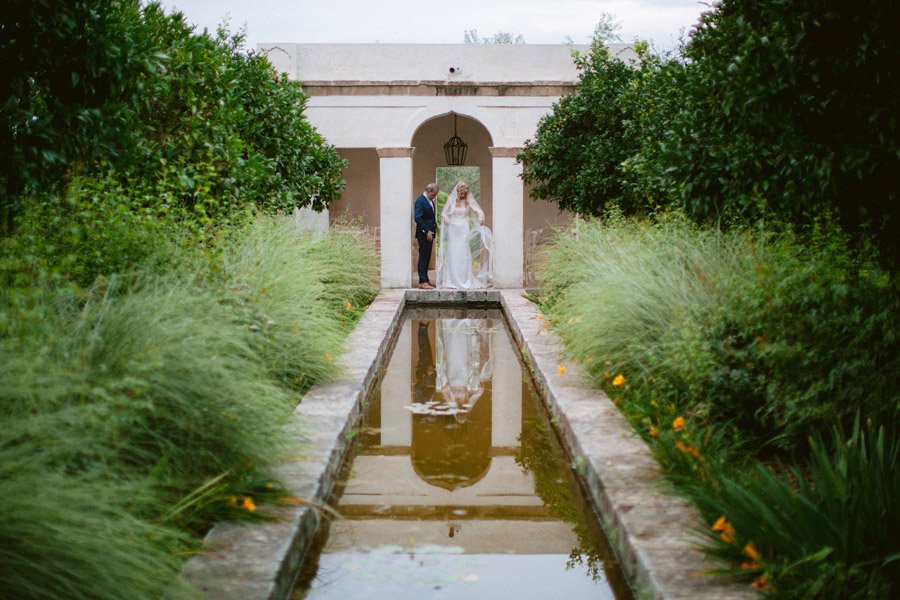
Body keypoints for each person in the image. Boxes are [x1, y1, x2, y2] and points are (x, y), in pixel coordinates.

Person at [436, 181, 493, 289]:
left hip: (463, 228)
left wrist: (481, 217)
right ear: (457, 191)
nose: (463, 195)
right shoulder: (451, 199)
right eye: (461, 193)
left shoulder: (468, 200)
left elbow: (479, 211)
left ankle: (465, 279)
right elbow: (443, 212)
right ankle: (450, 281)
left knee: (463, 252)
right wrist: (446, 217)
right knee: (452, 252)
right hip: (453, 228)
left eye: (465, 193)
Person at [413, 183, 439, 289]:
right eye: (433, 195)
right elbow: (418, 218)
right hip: (424, 234)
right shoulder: (420, 201)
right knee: (423, 257)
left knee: (427, 256)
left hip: (430, 234)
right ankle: (422, 282)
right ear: (428, 191)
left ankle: (426, 280)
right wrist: (427, 231)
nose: (434, 197)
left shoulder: (430, 200)